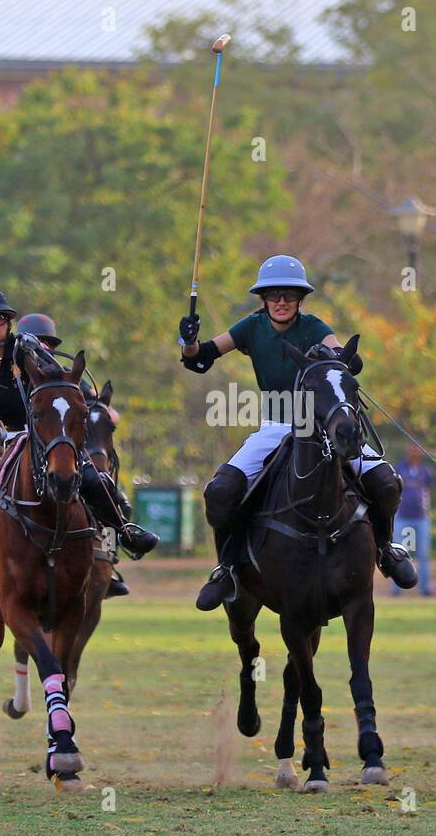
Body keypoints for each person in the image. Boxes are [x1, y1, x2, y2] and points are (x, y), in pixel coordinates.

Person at [179, 254, 418, 610]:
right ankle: (226, 568)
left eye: (289, 295)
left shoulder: (315, 327)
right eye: (274, 295)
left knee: (385, 480)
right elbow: (200, 359)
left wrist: (341, 357)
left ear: (299, 299)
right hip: (276, 428)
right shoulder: (251, 327)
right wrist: (189, 341)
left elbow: (344, 358)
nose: (281, 302)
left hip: (321, 428)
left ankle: (385, 548)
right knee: (221, 491)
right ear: (263, 298)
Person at [0, 291, 157, 591]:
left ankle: (123, 531)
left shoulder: (25, 348)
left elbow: (60, 379)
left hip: (37, 434)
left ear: (8, 322)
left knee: (91, 475)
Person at [393, 444, 434, 595]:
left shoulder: (426, 471)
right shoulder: (399, 468)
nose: (414, 453)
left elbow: (429, 491)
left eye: (417, 450)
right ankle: (397, 589)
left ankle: (424, 589)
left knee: (423, 554)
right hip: (402, 517)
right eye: (411, 450)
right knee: (399, 553)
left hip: (421, 518)